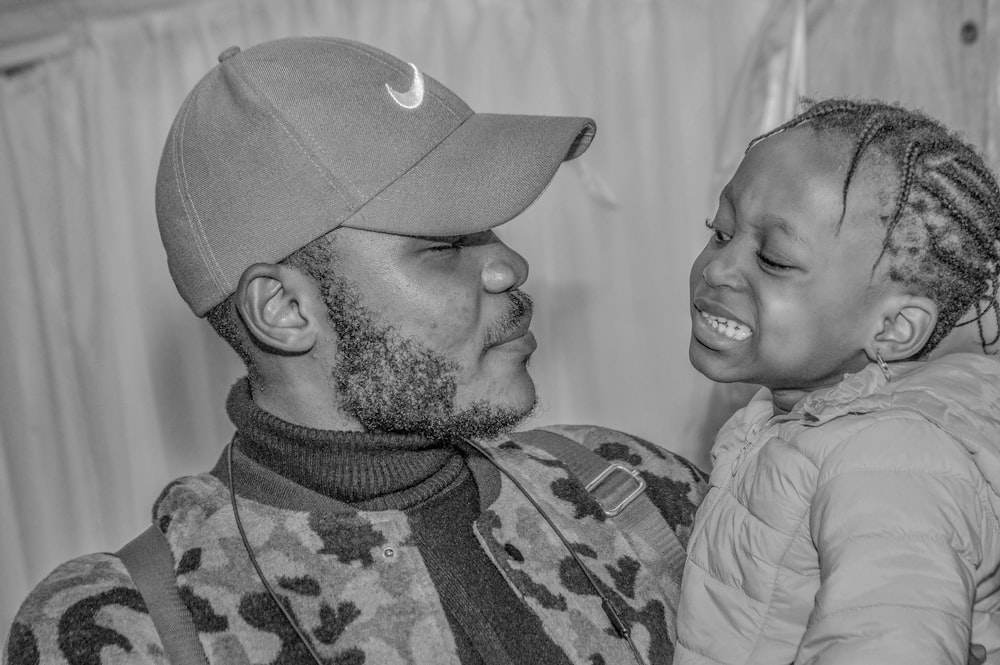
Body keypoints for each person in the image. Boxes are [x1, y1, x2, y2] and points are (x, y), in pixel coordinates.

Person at [3, 37, 707, 665]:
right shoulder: (122, 627)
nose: (509, 268)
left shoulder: (631, 489)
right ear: (283, 310)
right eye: (445, 244)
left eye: (490, 229)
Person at [674, 97, 1000, 664]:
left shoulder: (888, 461)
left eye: (773, 260)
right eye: (721, 232)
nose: (717, 268)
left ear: (894, 327)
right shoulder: (797, 418)